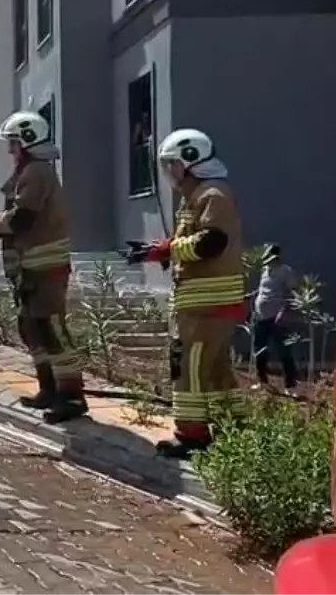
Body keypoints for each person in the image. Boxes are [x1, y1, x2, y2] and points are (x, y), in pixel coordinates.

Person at [124, 128, 245, 458]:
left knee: (188, 366)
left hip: (207, 305)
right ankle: (233, 430)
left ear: (190, 161)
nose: (168, 172)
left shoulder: (212, 195)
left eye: (171, 164)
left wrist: (165, 249)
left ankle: (192, 435)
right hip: (207, 304)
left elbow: (211, 242)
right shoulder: (199, 196)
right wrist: (159, 251)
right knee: (215, 370)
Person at [0, 111, 85, 424]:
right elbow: (16, 222)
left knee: (52, 330)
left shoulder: (36, 172)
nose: (10, 150)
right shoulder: (29, 172)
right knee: (31, 328)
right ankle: (49, 388)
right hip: (30, 270)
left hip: (45, 269)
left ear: (28, 142)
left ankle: (71, 396)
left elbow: (22, 219)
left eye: (14, 143)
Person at [252, 244, 300, 395]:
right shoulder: (265, 270)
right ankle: (262, 381)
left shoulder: (286, 271)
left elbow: (292, 294)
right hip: (261, 316)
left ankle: (290, 386)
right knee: (259, 349)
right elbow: (263, 290)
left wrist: (283, 312)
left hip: (277, 318)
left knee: (283, 351)